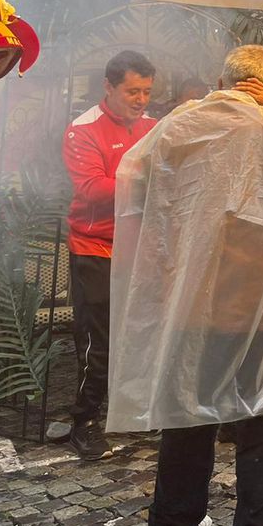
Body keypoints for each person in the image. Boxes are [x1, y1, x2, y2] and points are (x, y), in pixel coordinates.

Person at [108, 44, 263, 526]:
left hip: (187, 302)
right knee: (261, 422)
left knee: (187, 415)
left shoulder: (180, 124)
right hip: (250, 305)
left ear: (223, 79)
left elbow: (132, 172)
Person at [62, 50, 158, 460]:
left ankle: (133, 412)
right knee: (97, 341)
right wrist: (143, 176)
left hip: (143, 249)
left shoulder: (155, 126)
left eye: (147, 92)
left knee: (143, 335)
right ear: (109, 86)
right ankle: (83, 422)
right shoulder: (82, 129)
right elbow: (92, 189)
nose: (140, 100)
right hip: (95, 248)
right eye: (132, 91)